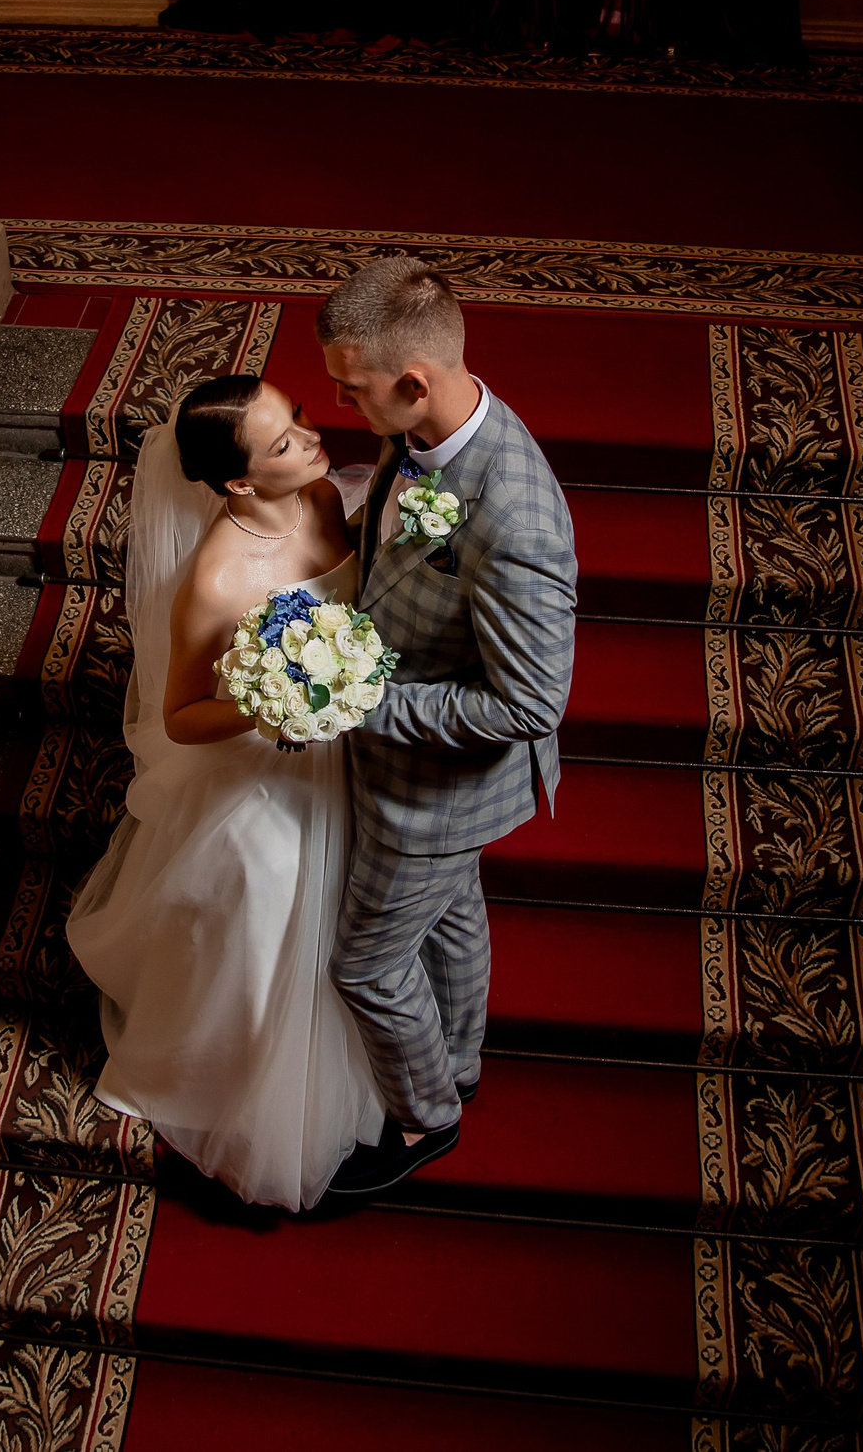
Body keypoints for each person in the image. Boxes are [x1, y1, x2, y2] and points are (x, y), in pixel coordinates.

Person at [64, 372, 386, 1209]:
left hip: (358, 742)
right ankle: (255, 1082)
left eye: (300, 416)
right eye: (284, 442)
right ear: (240, 482)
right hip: (270, 759)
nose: (311, 439)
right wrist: (268, 702)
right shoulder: (216, 578)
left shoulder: (325, 496)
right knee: (269, 887)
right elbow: (179, 715)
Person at [316, 255, 577, 1196]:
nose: (341, 403)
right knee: (453, 912)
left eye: (353, 388)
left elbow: (529, 704)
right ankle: (458, 1061)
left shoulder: (516, 517)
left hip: (438, 784)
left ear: (415, 382)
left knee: (366, 967)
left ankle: (426, 1116)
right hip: (411, 760)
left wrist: (353, 698)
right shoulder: (422, 433)